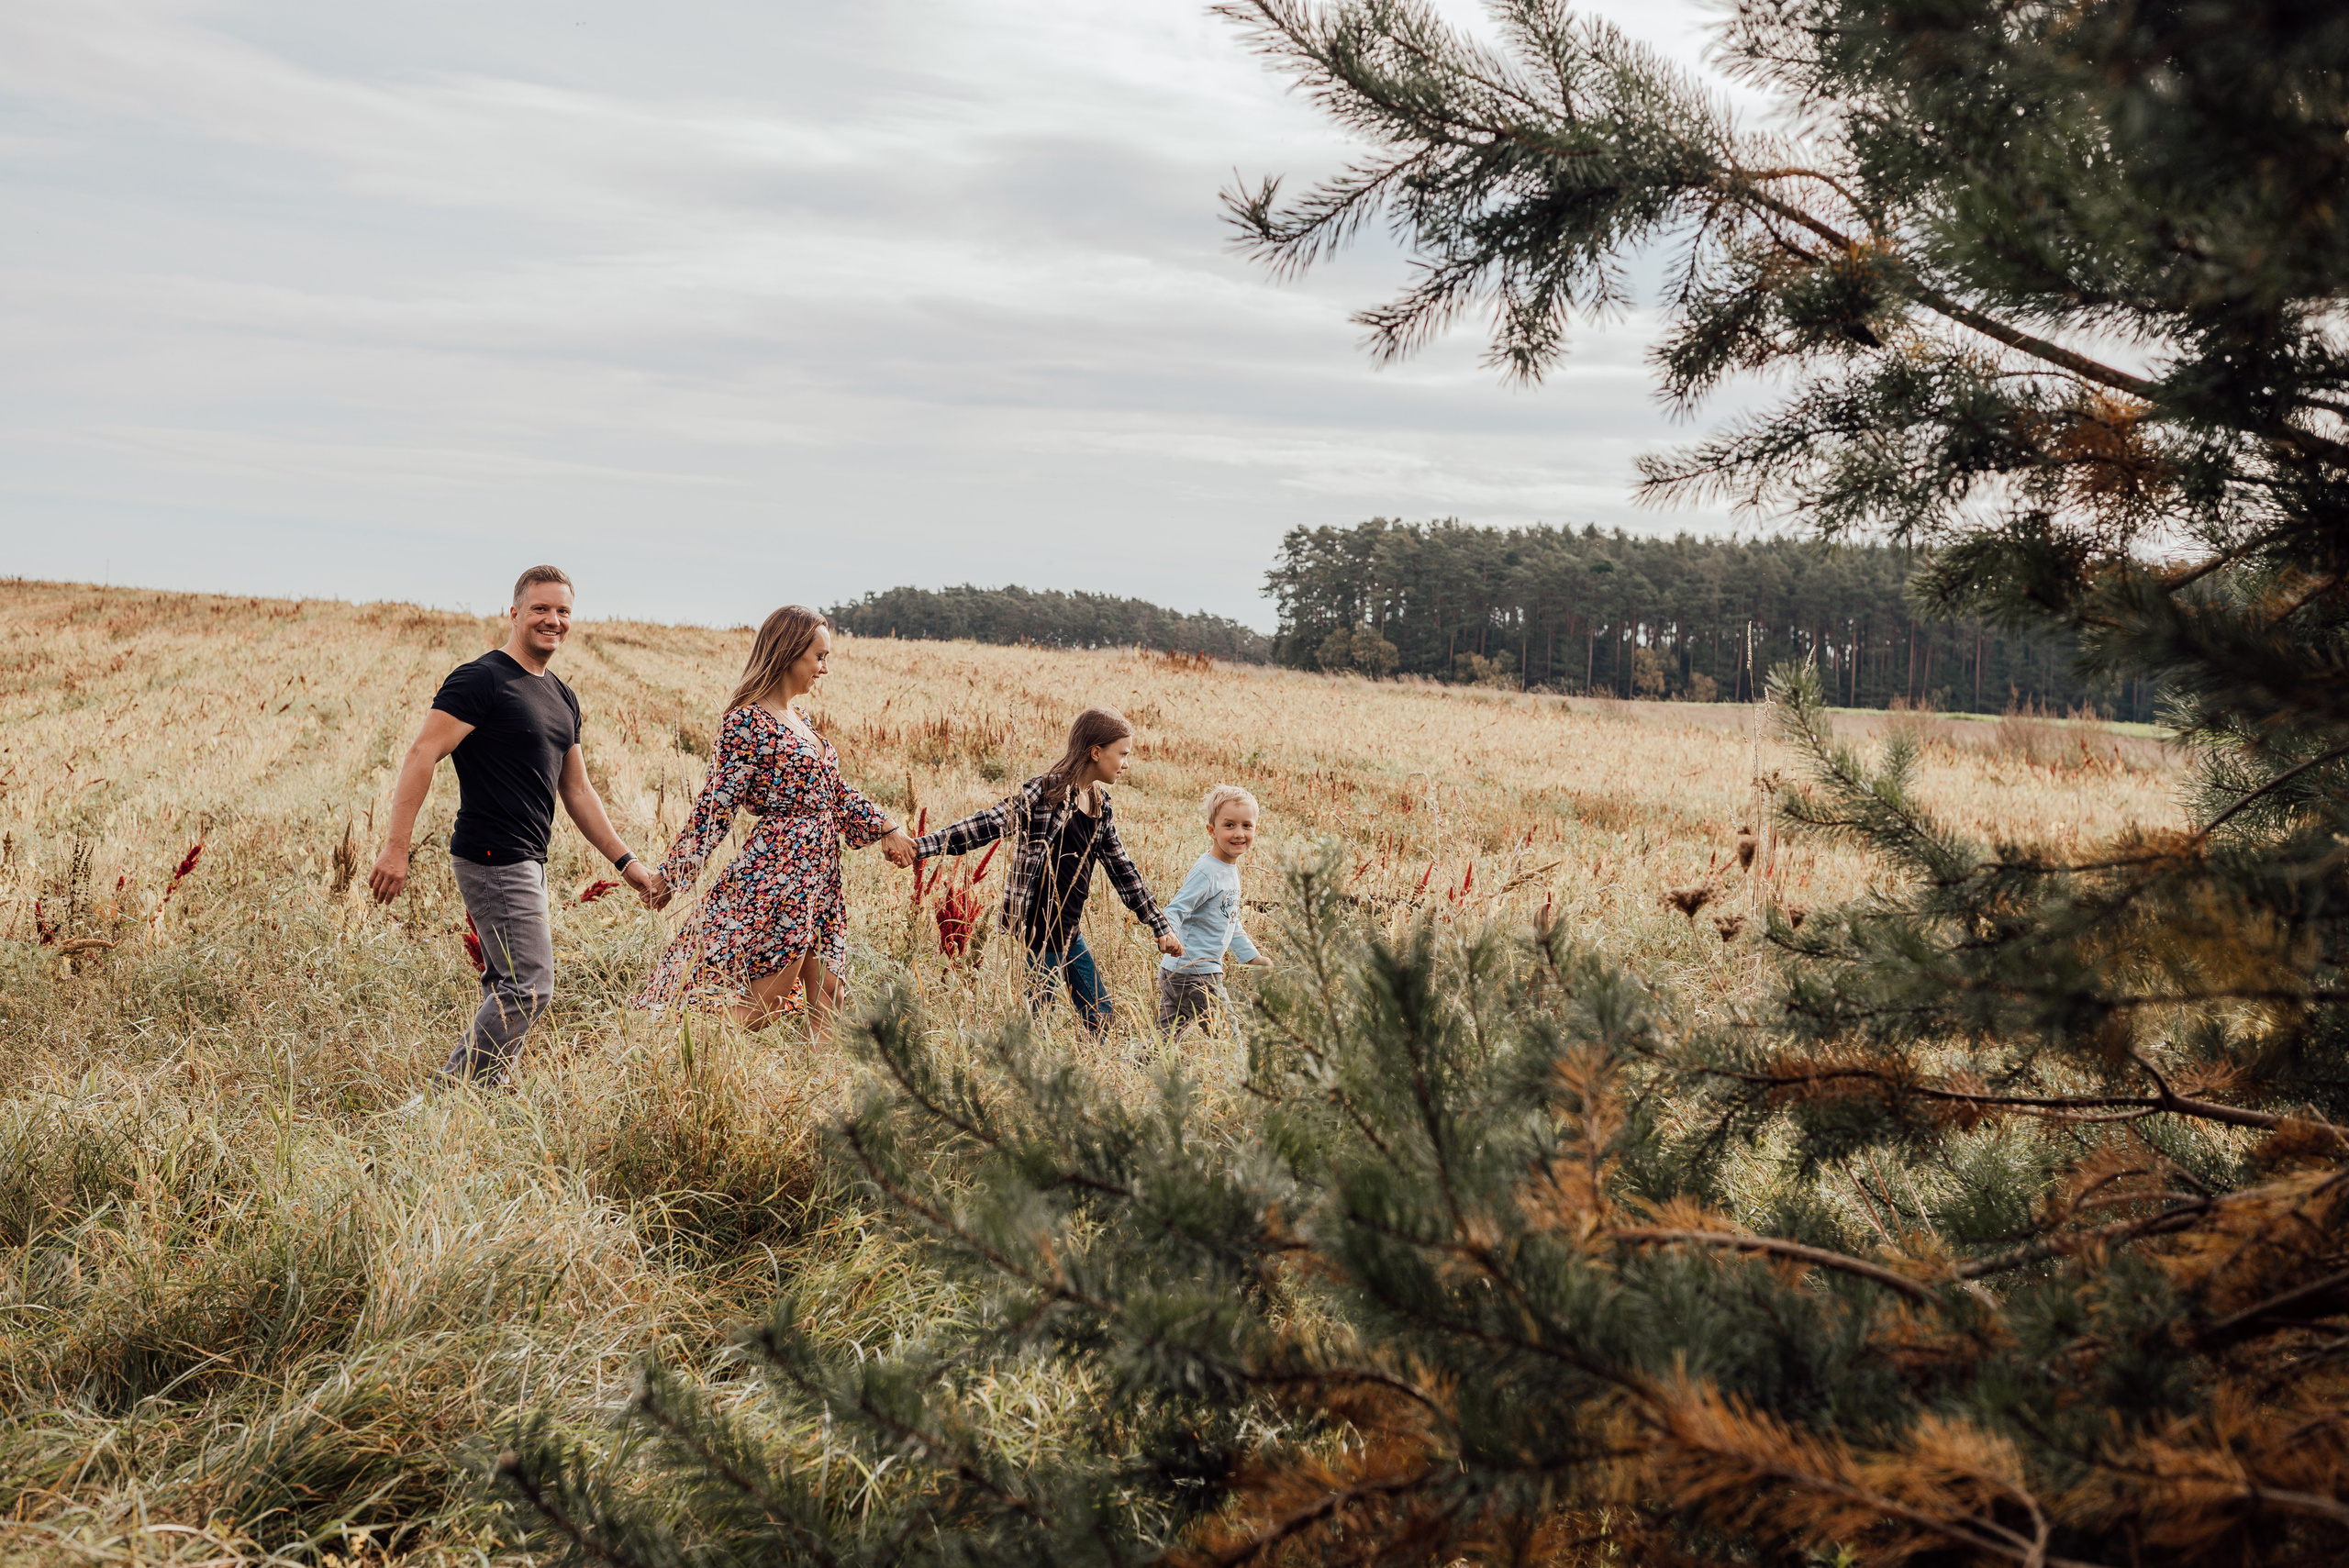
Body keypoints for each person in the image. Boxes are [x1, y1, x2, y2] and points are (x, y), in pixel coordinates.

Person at [370, 565, 660, 1088]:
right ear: (515, 613)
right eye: (541, 609)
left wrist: (627, 862)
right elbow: (422, 754)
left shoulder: (562, 697)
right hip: (492, 854)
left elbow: (577, 791)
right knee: (529, 985)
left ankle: (486, 1093)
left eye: (563, 611)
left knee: (507, 981)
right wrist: (396, 849)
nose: (553, 620)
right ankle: (451, 1096)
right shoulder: (481, 679)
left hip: (527, 857)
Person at [631, 606, 916, 1031]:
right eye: (819, 657)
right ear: (788, 653)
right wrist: (673, 876)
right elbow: (715, 806)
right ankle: (677, 1053)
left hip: (821, 874)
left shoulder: (803, 721)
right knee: (765, 1007)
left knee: (830, 999)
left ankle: (827, 1092)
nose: (824, 669)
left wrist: (886, 827)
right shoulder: (746, 720)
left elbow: (833, 793)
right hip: (780, 873)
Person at [910, 706, 1182, 1037]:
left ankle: (1086, 1078)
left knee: (1101, 1016)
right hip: (1039, 934)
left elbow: (1123, 871)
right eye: (1122, 754)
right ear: (1096, 752)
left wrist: (1159, 924)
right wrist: (919, 847)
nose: (1126, 763)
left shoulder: (1100, 804)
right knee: (1037, 1025)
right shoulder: (1046, 793)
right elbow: (986, 825)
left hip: (1069, 933)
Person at [1157, 784, 1273, 1040]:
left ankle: (1132, 1067)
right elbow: (1176, 909)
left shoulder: (1227, 868)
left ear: (1256, 829)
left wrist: (1253, 958)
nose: (1239, 833)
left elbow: (1230, 920)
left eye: (1246, 825)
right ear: (1211, 830)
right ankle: (1237, 1078)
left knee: (1164, 1040)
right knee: (1229, 1042)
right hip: (1197, 973)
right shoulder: (1207, 872)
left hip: (1180, 971)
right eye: (1229, 825)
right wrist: (1168, 934)